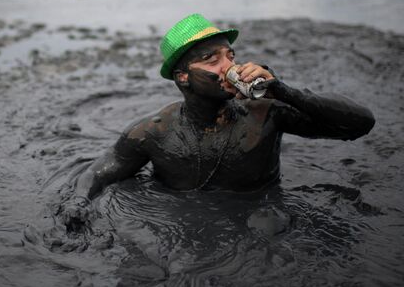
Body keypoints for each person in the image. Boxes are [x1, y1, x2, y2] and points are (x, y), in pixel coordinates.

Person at [60, 13, 375, 231]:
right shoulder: (153, 132)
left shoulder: (267, 112)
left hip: (262, 212)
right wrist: (77, 205)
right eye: (213, 60)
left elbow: (360, 123)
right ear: (183, 77)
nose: (229, 67)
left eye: (230, 56)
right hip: (180, 224)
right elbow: (98, 173)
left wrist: (282, 89)